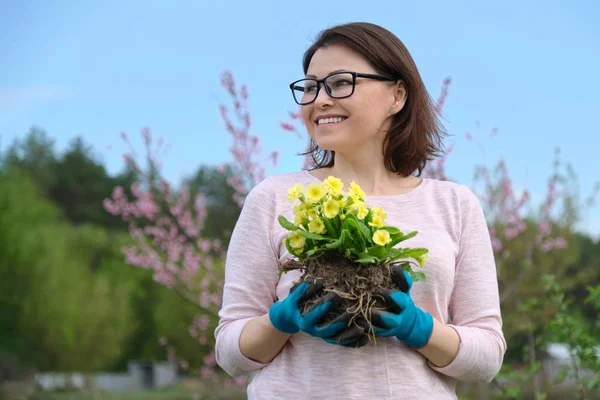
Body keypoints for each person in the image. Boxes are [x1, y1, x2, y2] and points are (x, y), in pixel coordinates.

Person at [214, 21, 506, 399]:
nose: (320, 100)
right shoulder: (274, 197)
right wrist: (282, 320)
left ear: (397, 95)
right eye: (310, 87)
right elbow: (230, 353)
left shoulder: (454, 205)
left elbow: (486, 357)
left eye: (340, 83)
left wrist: (418, 327)